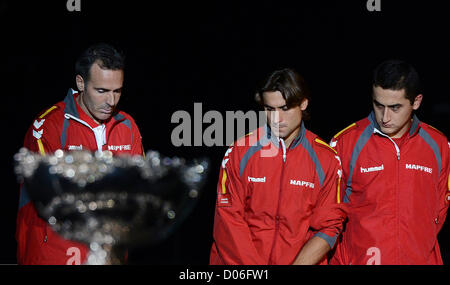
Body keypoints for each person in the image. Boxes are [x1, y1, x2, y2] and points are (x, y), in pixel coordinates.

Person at [16, 43, 144, 265]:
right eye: (102, 91)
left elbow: (139, 191)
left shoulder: (128, 126)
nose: (111, 102)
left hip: (109, 255)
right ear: (80, 83)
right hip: (53, 254)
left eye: (117, 91)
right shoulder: (48, 126)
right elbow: (54, 197)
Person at [209, 68, 347, 265]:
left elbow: (329, 226)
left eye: (284, 108)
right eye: (270, 109)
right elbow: (228, 221)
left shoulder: (326, 159)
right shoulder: (240, 152)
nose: (276, 119)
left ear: (303, 103)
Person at [329, 60, 450, 265]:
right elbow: (329, 218)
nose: (385, 117)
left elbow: (438, 211)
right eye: (379, 105)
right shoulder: (345, 143)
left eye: (395, 107)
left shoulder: (438, 145)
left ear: (416, 102)